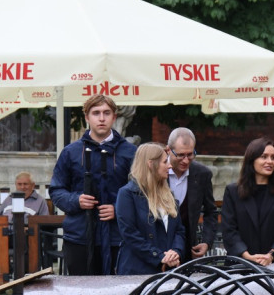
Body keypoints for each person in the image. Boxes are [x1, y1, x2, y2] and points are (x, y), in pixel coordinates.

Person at [49, 94, 136, 275]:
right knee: (82, 293)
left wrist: (118, 209)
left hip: (118, 237)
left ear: (114, 116)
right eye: (96, 113)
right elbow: (57, 190)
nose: (102, 118)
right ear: (87, 117)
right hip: (79, 236)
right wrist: (76, 200)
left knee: (118, 294)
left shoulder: (131, 152)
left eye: (106, 113)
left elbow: (143, 192)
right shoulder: (70, 152)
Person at [221, 138, 274, 266]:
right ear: (252, 160)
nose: (270, 161)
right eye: (264, 157)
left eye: (273, 157)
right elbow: (229, 230)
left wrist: (271, 255)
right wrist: (247, 256)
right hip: (239, 265)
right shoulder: (233, 192)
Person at [115, 143, 185, 275]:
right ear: (151, 164)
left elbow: (179, 230)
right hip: (136, 272)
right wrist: (159, 257)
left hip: (168, 271)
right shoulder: (127, 194)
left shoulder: (169, 194)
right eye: (165, 162)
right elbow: (130, 234)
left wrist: (176, 251)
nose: (170, 166)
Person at [166, 127, 218, 259]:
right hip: (158, 247)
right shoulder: (156, 170)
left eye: (190, 154)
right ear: (168, 151)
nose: (185, 160)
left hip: (187, 248)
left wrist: (206, 241)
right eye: (180, 155)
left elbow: (211, 211)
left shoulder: (202, 174)